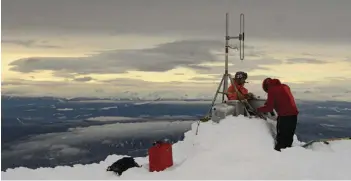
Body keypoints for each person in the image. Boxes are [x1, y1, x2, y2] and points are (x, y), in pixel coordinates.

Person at [256, 78, 299, 151]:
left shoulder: (272, 90)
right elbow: (282, 98)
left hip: (284, 117)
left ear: (266, 86)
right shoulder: (285, 86)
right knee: (289, 137)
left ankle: (278, 156)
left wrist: (258, 110)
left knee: (281, 139)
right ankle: (288, 153)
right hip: (294, 115)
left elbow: (269, 108)